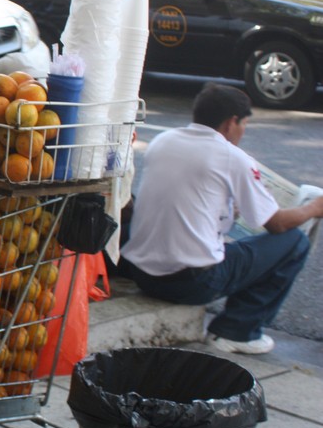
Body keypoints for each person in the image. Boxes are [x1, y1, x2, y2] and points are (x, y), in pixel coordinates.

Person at [121, 83, 323, 354]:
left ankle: (236, 327)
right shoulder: (233, 158)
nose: (242, 133)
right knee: (294, 241)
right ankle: (237, 330)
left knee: (247, 244)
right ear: (231, 123)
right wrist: (314, 208)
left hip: (142, 273)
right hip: (191, 283)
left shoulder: (163, 141)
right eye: (244, 125)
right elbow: (277, 224)